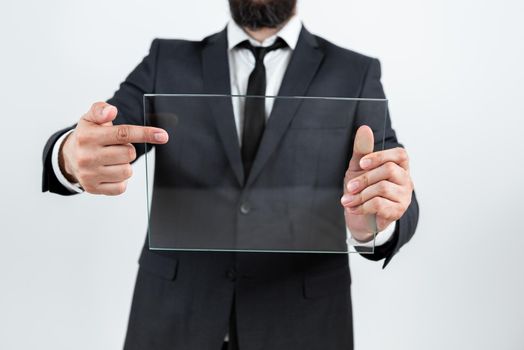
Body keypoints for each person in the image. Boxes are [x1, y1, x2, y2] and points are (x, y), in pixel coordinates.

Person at [42, 0, 419, 349]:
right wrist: (69, 156)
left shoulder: (353, 72)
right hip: (174, 320)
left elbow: (390, 182)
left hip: (302, 324)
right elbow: (104, 136)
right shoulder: (166, 61)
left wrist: (375, 217)